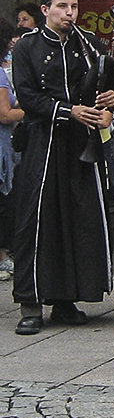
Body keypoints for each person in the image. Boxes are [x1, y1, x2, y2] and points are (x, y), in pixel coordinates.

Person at [9, 0, 114, 335]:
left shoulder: (87, 43)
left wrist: (109, 98)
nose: (69, 13)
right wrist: (69, 111)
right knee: (38, 219)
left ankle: (66, 299)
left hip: (80, 143)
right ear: (45, 10)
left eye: (73, 6)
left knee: (76, 219)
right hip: (44, 143)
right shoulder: (27, 46)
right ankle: (30, 303)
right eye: (62, 6)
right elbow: (28, 97)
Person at [0, 18, 26, 283]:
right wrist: (34, 108)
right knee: (6, 203)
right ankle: (2, 255)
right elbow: (5, 115)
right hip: (2, 151)